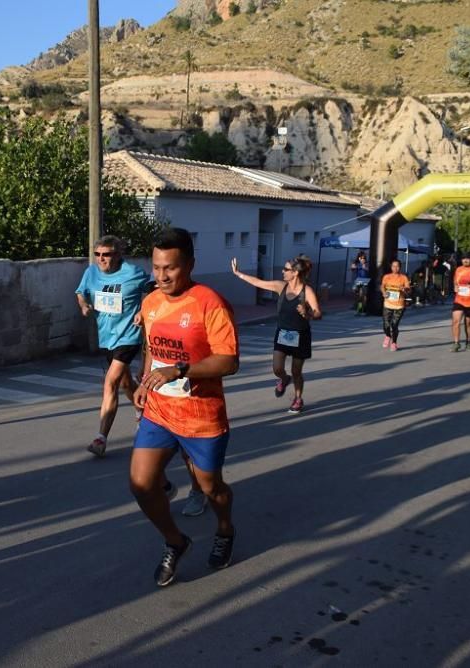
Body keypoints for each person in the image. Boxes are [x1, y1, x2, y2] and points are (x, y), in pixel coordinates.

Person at [132, 228, 239, 587]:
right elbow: (151, 348)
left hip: (202, 416)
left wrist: (180, 369)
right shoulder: (150, 302)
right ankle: (176, 542)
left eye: (171, 268)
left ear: (190, 264)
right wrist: (144, 381)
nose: (162, 276)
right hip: (160, 412)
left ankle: (224, 528)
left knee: (211, 488)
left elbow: (229, 361)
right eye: (157, 267)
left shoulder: (210, 302)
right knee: (141, 483)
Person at [74, 235, 152, 458]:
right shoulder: (91, 272)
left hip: (129, 336)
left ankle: (100, 438)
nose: (101, 259)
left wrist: (142, 310)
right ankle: (142, 411)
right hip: (107, 337)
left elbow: (150, 289)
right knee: (126, 383)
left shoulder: (133, 273)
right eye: (98, 254)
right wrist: (83, 305)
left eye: (106, 255)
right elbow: (81, 292)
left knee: (110, 382)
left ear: (118, 255)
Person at [232, 254, 321, 414]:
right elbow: (259, 283)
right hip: (283, 333)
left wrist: (307, 312)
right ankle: (284, 379)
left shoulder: (307, 291)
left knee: (297, 371)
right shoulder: (281, 286)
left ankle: (298, 398)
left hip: (300, 335)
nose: (282, 271)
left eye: (286, 269)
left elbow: (318, 313)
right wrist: (239, 274)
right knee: (277, 368)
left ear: (295, 273)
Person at [380, 259, 411, 350]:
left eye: (397, 266)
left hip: (399, 305)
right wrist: (383, 292)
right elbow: (382, 286)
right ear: (391, 267)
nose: (395, 268)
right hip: (388, 303)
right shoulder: (386, 277)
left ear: (400, 267)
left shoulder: (403, 278)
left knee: (394, 325)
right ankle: (387, 336)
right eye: (393, 266)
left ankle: (394, 343)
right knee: (386, 325)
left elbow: (408, 290)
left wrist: (404, 289)